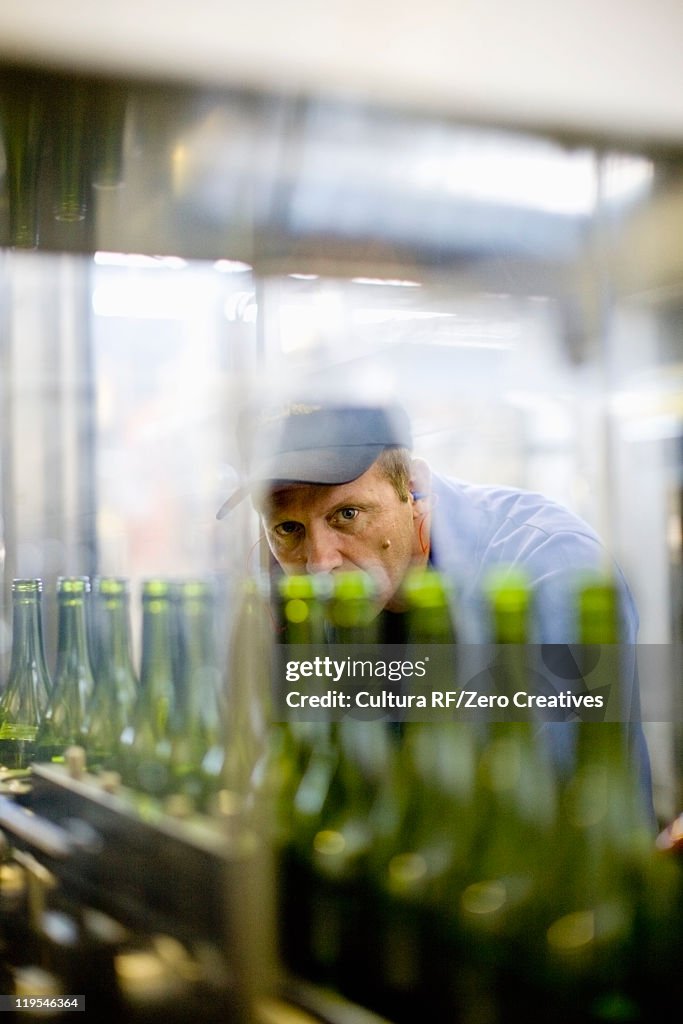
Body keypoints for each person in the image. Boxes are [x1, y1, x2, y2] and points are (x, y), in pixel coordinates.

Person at [217, 400, 655, 824]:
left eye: (347, 514)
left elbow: (539, 812)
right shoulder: (283, 600)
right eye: (288, 528)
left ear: (412, 490)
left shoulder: (548, 569)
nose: (318, 562)